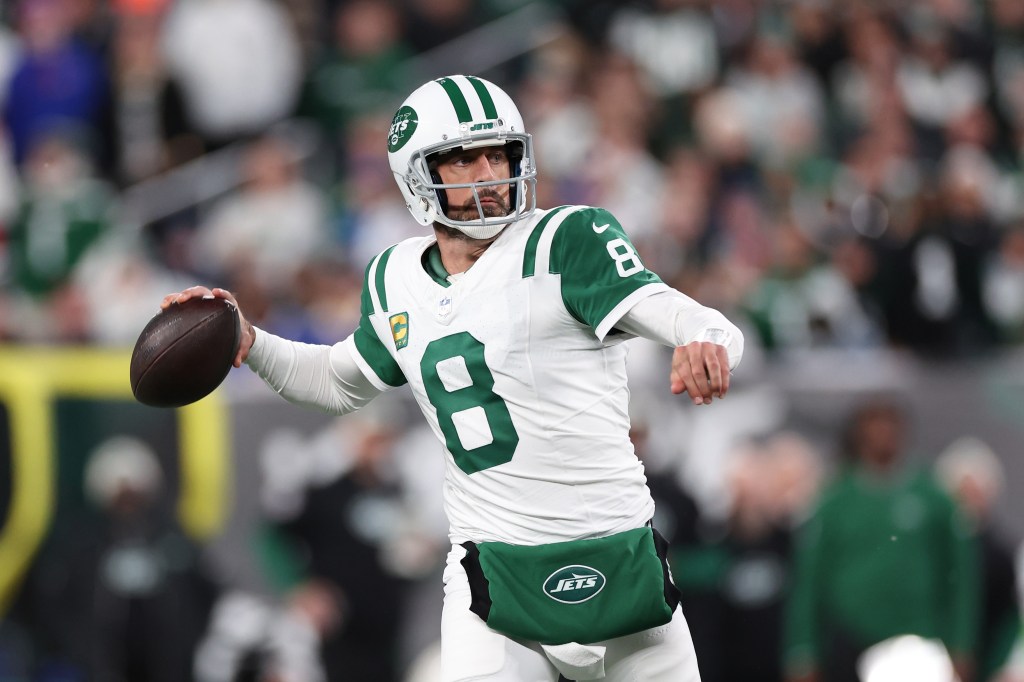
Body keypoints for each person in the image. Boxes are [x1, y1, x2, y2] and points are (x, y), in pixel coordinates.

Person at [164, 74, 744, 681]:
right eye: (464, 159)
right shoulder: (395, 276)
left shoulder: (566, 240)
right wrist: (249, 342)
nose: (489, 173)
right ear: (417, 177)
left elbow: (687, 314)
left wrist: (703, 338)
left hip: (620, 564)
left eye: (499, 152)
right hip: (495, 583)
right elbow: (339, 381)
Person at [784, 398, 979, 682]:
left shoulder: (934, 497)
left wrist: (962, 643)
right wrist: (802, 650)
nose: (883, 431)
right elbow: (809, 582)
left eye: (890, 422)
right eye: (874, 422)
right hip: (850, 640)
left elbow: (961, 576)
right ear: (858, 431)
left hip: (918, 642)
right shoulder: (833, 501)